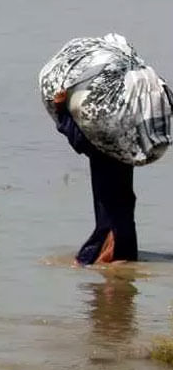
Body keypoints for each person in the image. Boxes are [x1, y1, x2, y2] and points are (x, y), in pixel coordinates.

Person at [54, 89, 137, 265]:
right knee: (123, 232)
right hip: (123, 206)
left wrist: (61, 111)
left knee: (98, 256)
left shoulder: (101, 138)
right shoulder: (125, 133)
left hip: (110, 209)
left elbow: (79, 141)